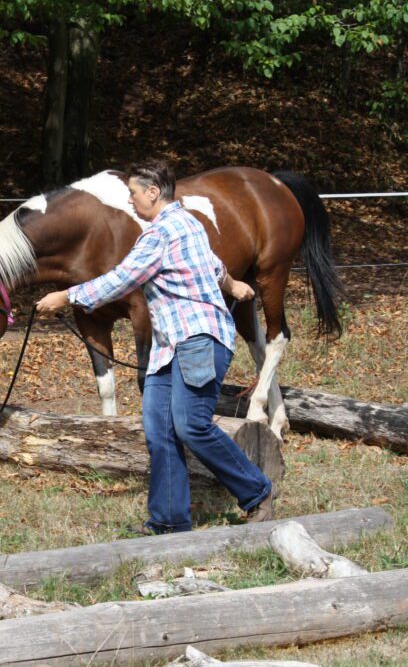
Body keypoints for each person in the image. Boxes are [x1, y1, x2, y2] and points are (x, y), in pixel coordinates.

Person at [36, 161, 275, 534]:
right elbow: (213, 264)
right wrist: (232, 285)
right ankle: (168, 520)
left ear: (152, 192)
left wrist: (65, 296)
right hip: (168, 348)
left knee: (191, 426)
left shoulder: (159, 235)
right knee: (159, 430)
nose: (130, 201)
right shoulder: (189, 224)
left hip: (197, 340)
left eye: (133, 193)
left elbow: (121, 279)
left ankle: (258, 492)